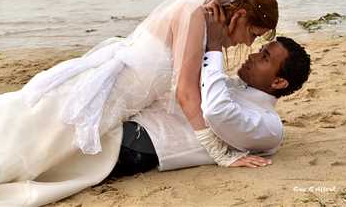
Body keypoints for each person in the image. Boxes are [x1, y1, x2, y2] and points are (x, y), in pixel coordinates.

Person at [0, 0, 279, 206]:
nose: (249, 43)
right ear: (237, 14)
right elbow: (185, 93)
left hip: (114, 101)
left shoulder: (206, 24)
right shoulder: (195, 15)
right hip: (102, 97)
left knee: (30, 143)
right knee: (21, 139)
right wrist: (220, 153)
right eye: (253, 33)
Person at [111, 33, 311, 176]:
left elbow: (216, 111)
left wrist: (214, 49)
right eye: (260, 51)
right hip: (130, 118)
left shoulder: (271, 127)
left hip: (140, 144)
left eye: (264, 58)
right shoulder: (231, 85)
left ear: (278, 82)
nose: (252, 56)